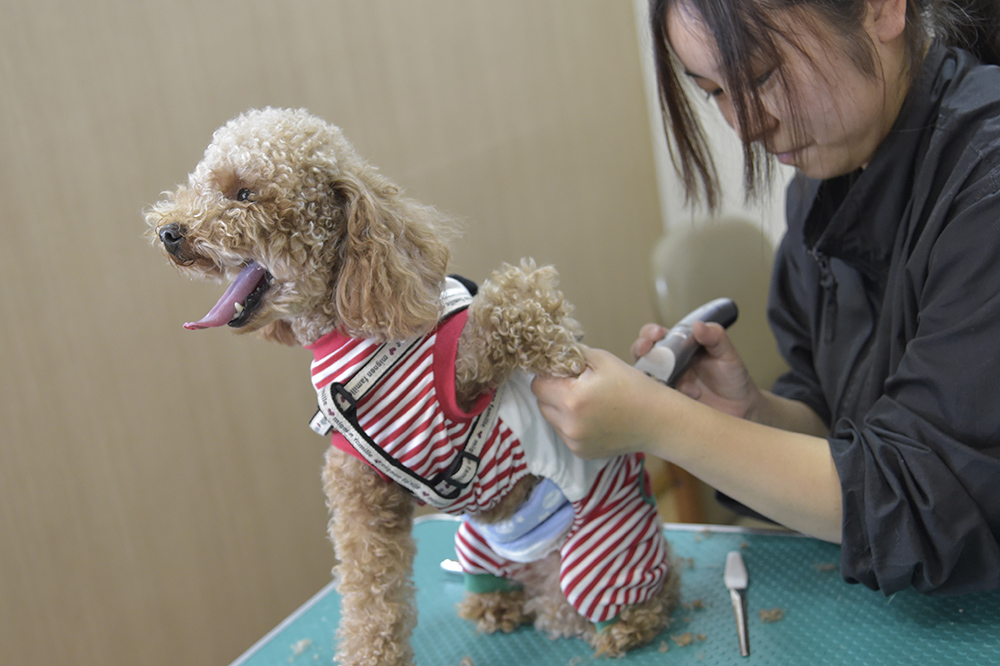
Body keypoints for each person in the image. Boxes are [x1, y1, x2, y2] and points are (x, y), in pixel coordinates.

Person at [531, 0, 1000, 595]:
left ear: (882, 10)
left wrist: (662, 424)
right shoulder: (824, 185)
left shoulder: (987, 186)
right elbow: (841, 424)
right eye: (713, 92)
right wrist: (750, 416)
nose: (746, 126)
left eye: (759, 77)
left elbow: (923, 506)